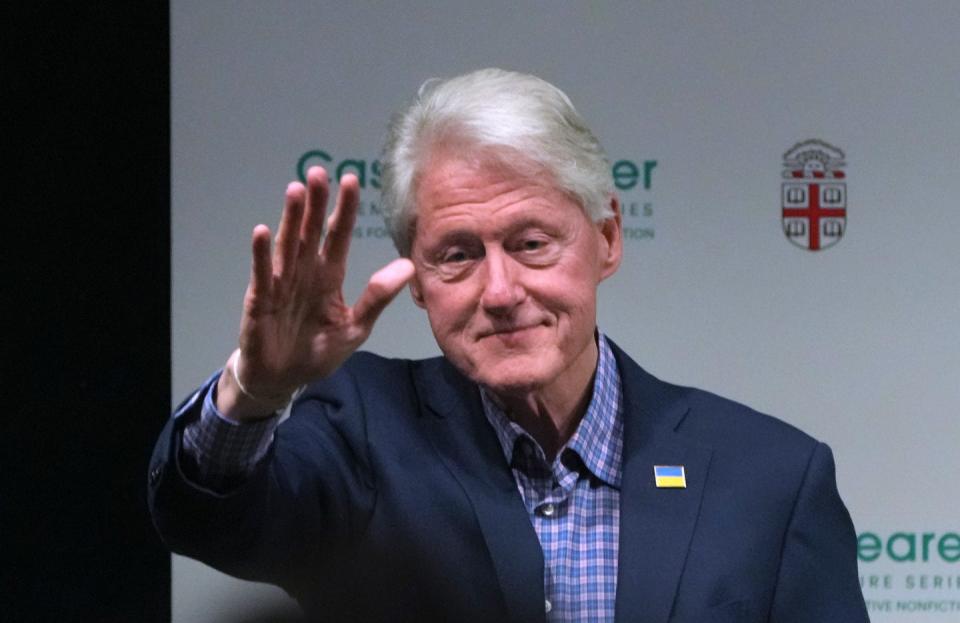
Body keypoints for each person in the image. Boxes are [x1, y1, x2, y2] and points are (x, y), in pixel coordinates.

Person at [149, 68, 868, 622]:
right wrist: (257, 392)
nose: (499, 289)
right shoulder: (361, 428)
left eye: (530, 243)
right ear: (421, 282)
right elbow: (210, 518)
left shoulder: (770, 480)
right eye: (457, 254)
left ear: (608, 238)